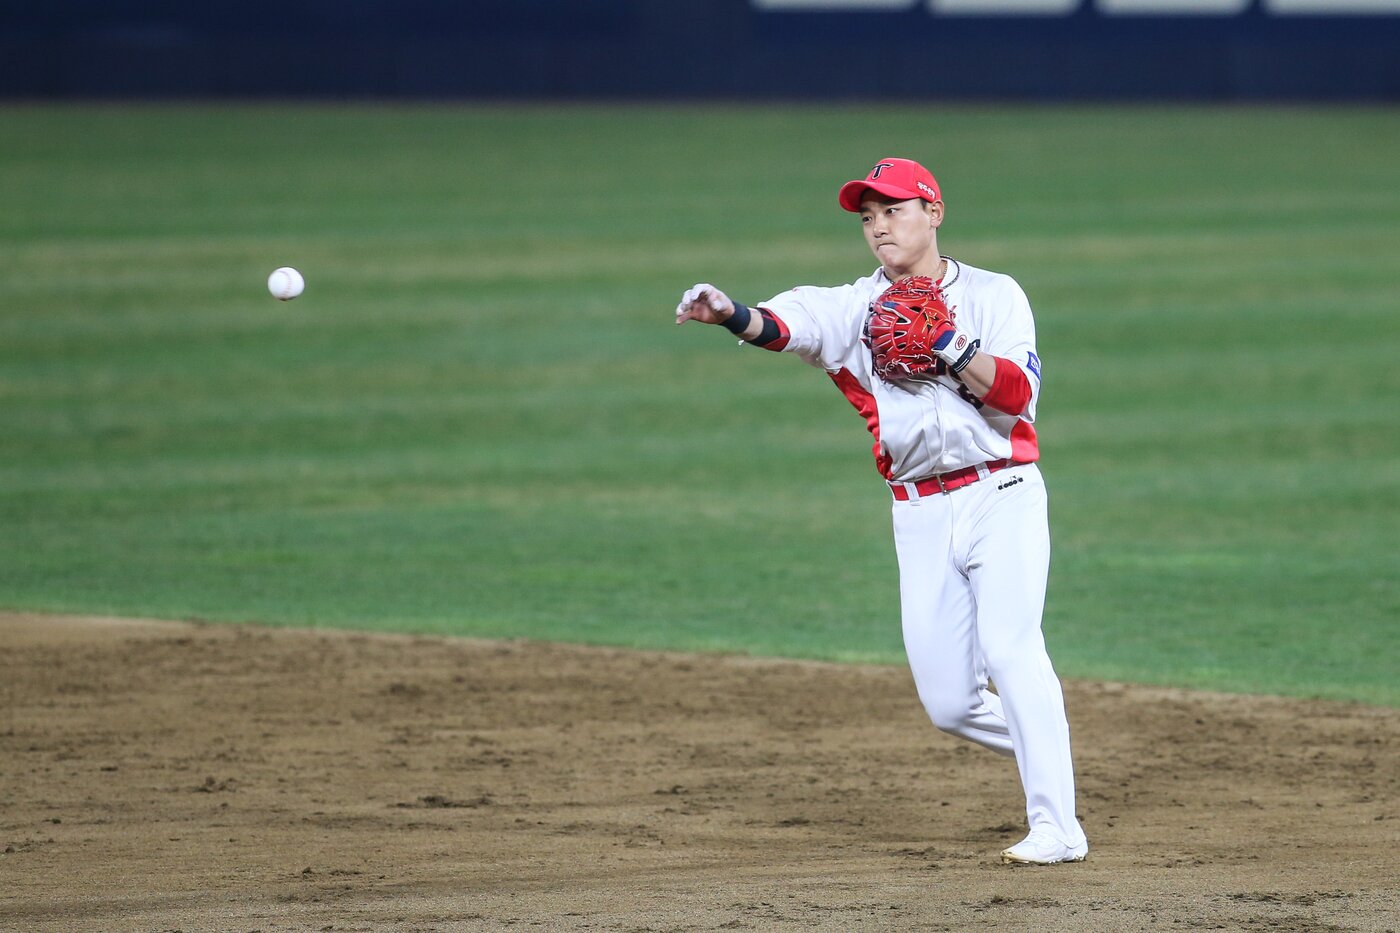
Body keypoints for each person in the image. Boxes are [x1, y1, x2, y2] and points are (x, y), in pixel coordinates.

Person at [674, 157, 1088, 865]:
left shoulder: (995, 295)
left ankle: (1059, 825)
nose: (877, 226)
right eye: (867, 216)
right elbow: (784, 324)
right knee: (950, 704)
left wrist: (949, 345)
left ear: (934, 211)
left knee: (1013, 650)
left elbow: (1016, 397)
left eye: (892, 209)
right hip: (918, 513)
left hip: (1003, 494)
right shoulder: (851, 310)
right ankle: (1046, 737)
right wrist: (730, 316)